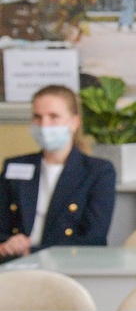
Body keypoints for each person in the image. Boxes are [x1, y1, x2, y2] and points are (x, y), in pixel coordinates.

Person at [1, 84, 116, 261]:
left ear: (74, 122)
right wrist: (7, 245)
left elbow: (94, 238)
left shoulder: (98, 171)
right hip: (14, 263)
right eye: (38, 117)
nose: (44, 125)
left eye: (53, 117)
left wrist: (32, 251)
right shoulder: (15, 166)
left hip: (69, 263)